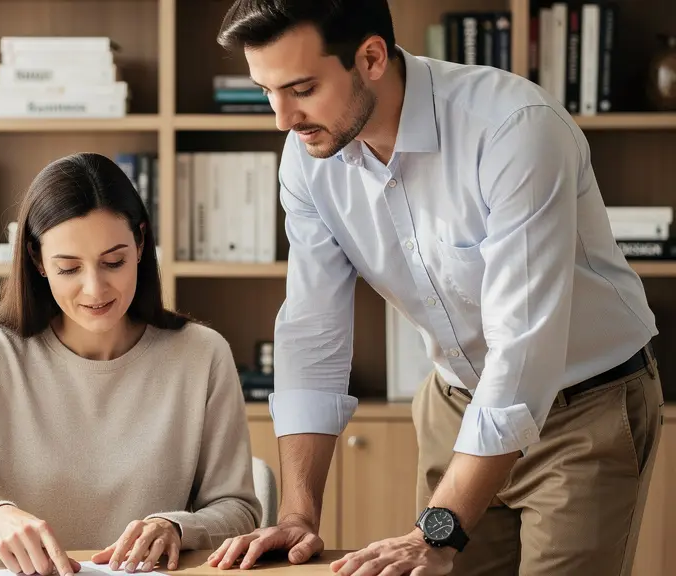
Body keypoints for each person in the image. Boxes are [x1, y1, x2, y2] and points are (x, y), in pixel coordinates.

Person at [206, 2, 666, 576]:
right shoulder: (308, 157)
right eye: (267, 91)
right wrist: (299, 516)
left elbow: (524, 349)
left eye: (301, 88)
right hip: (455, 403)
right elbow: (312, 329)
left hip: (584, 409)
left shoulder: (514, 127)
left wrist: (439, 529)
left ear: (371, 57)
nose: (281, 119)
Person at [0, 152, 262, 575]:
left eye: (114, 262)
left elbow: (238, 509)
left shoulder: (202, 355)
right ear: (37, 261)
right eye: (69, 268)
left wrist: (176, 527)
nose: (95, 288)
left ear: (141, 243)